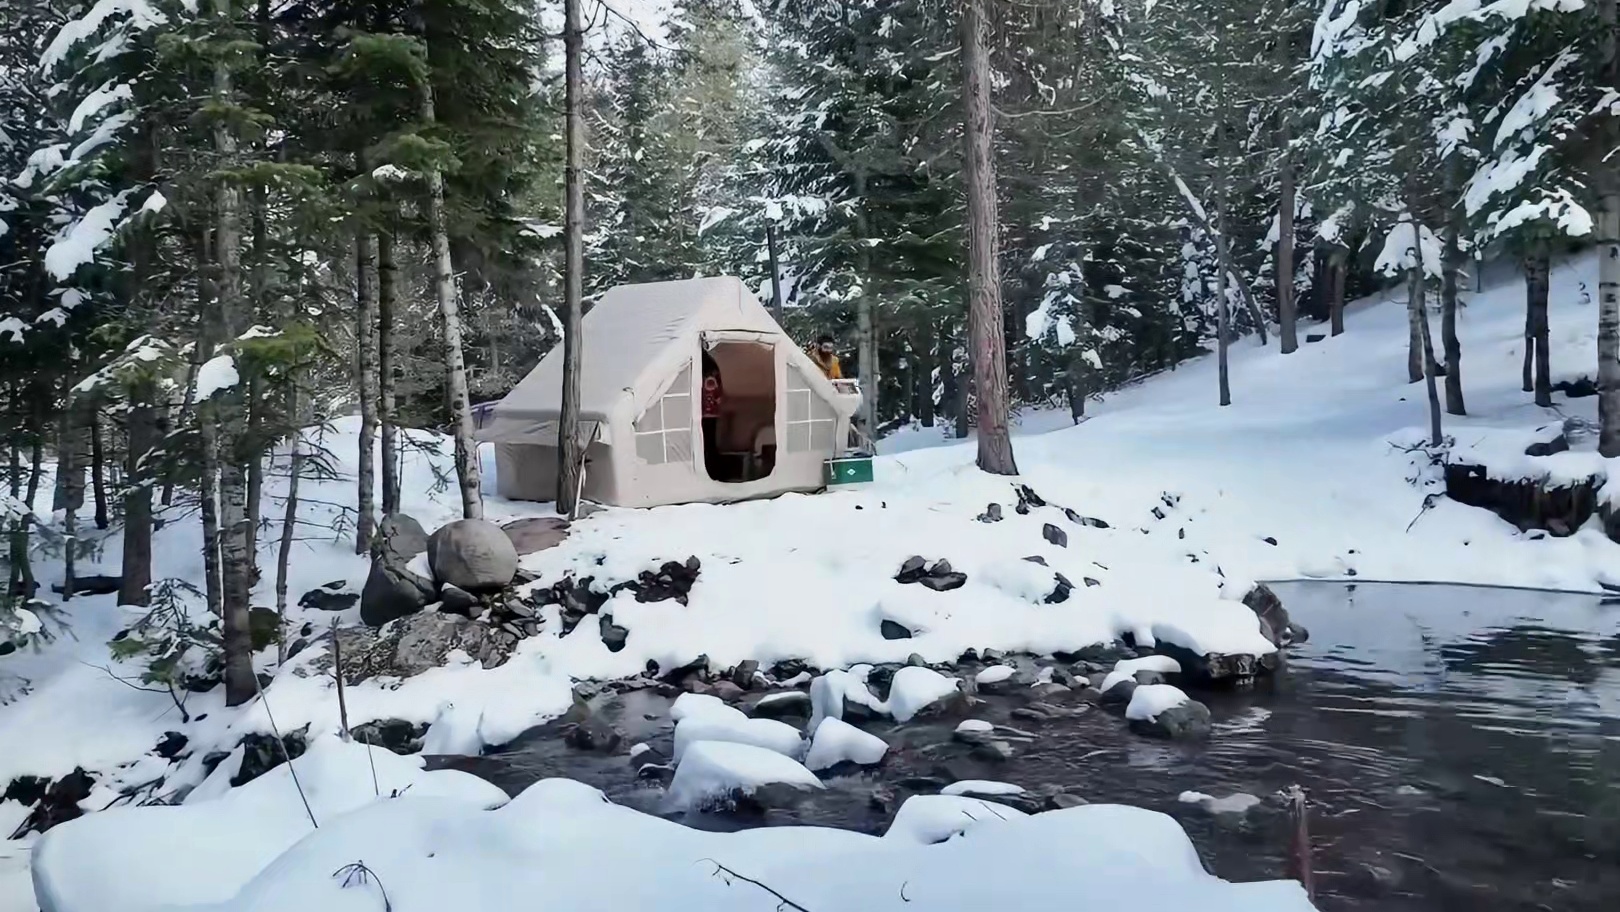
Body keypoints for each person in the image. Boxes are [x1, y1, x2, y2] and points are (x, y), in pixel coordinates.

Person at [701, 351, 725, 478]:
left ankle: (711, 471)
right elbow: (719, 394)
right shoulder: (713, 367)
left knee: (706, 443)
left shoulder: (706, 370)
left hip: (705, 413)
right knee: (710, 443)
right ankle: (714, 471)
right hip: (711, 412)